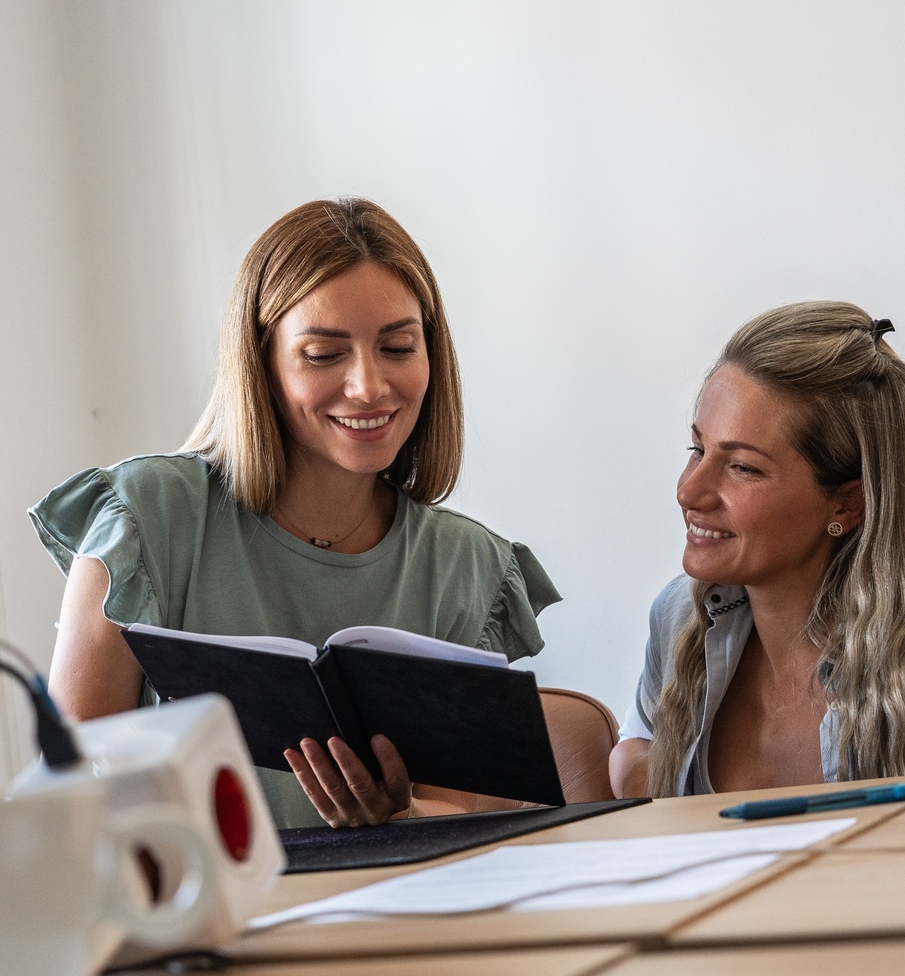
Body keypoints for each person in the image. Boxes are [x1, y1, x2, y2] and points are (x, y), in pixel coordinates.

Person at [34, 197, 559, 828]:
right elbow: (68, 795)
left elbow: (473, 817)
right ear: (261, 364)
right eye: (323, 354)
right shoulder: (150, 519)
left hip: (403, 895)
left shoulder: (467, 566)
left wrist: (402, 815)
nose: (368, 386)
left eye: (398, 346)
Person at [611, 301, 905, 799]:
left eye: (743, 468)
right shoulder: (682, 618)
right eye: (697, 450)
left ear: (849, 503)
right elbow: (638, 744)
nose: (688, 491)